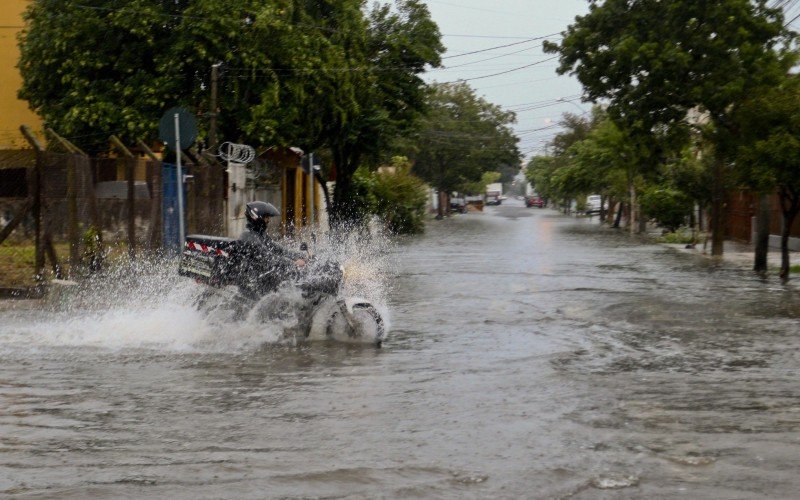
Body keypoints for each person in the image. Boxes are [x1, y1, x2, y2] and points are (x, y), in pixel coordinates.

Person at [235, 201, 306, 297]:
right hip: (254, 283)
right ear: (257, 218)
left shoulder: (259, 235)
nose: (268, 220)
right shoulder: (249, 237)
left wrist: (300, 255)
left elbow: (280, 250)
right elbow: (268, 258)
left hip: (263, 277)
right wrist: (293, 263)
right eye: (266, 217)